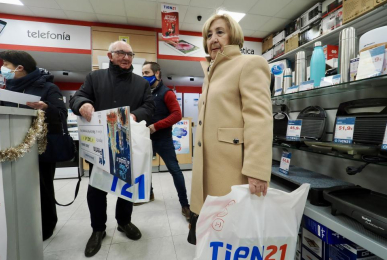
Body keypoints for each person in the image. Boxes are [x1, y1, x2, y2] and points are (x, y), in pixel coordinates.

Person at [69, 41, 154, 258]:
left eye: (130, 54)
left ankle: (124, 222)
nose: (126, 57)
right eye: (121, 53)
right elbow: (77, 97)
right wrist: (82, 104)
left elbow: (149, 107)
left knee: (126, 188)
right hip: (99, 145)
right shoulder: (94, 78)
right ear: (110, 55)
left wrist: (134, 116)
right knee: (97, 189)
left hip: (128, 145)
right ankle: (98, 229)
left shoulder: (141, 83)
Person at [190, 13, 273, 231]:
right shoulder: (210, 75)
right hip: (206, 167)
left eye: (219, 32)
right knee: (213, 234)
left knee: (233, 232)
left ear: (233, 36)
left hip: (232, 169)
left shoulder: (250, 63)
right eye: (208, 35)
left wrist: (257, 170)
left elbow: (259, 119)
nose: (213, 39)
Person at [0, 50, 67, 241]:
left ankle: (47, 225)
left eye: (6, 64)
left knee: (43, 187)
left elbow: (62, 114)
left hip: (41, 148)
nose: (3, 68)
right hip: (11, 147)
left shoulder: (48, 87)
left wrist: (46, 107)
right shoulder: (7, 88)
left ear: (20, 67)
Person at [140, 61, 191, 221]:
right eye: (142, 73)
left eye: (147, 73)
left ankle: (185, 205)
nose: (144, 76)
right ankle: (149, 193)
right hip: (145, 138)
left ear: (156, 74)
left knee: (175, 170)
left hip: (163, 139)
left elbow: (177, 114)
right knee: (144, 168)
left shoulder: (167, 93)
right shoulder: (144, 92)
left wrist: (156, 126)